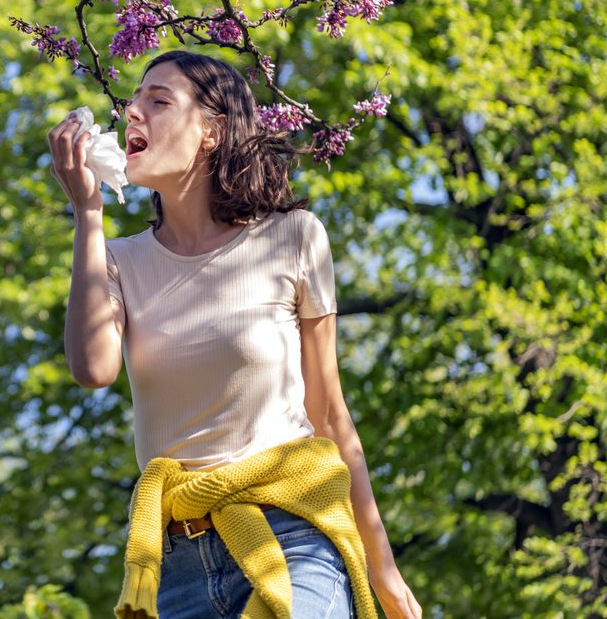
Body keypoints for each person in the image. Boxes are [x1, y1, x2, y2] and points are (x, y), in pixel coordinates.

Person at [47, 50, 422, 619]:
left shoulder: (294, 237)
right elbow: (93, 369)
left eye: (158, 100)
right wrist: (87, 213)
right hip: (177, 562)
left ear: (213, 132)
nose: (132, 113)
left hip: (293, 534)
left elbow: (328, 414)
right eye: (133, 101)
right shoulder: (119, 262)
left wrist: (383, 568)